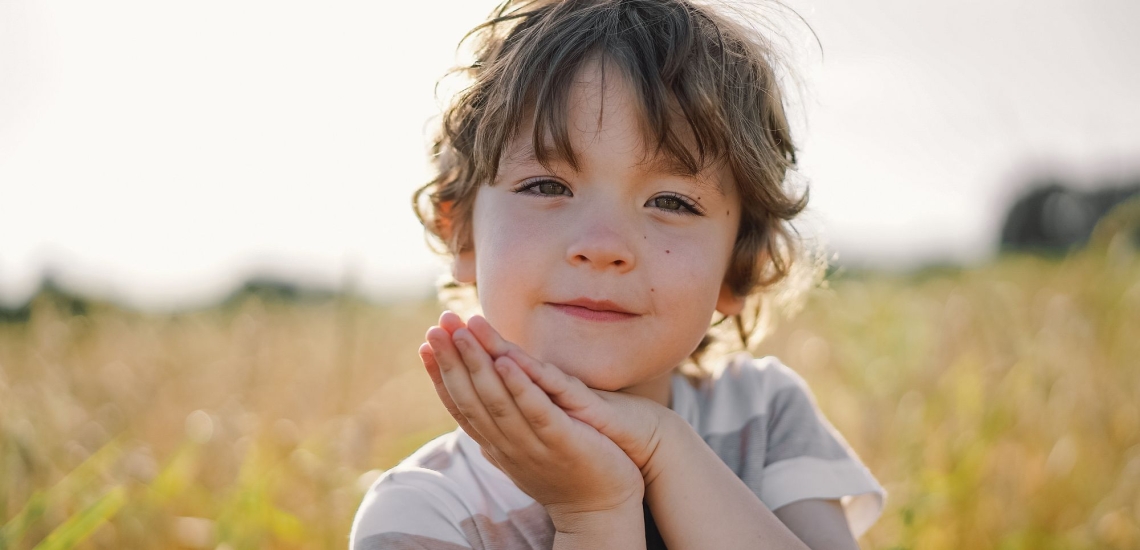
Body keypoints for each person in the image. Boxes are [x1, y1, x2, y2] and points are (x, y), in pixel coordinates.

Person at [351, 0, 885, 548]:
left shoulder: (764, 417)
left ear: (738, 267)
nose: (603, 247)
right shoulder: (425, 515)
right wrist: (594, 512)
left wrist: (665, 447)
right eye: (546, 186)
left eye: (672, 201)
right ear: (461, 231)